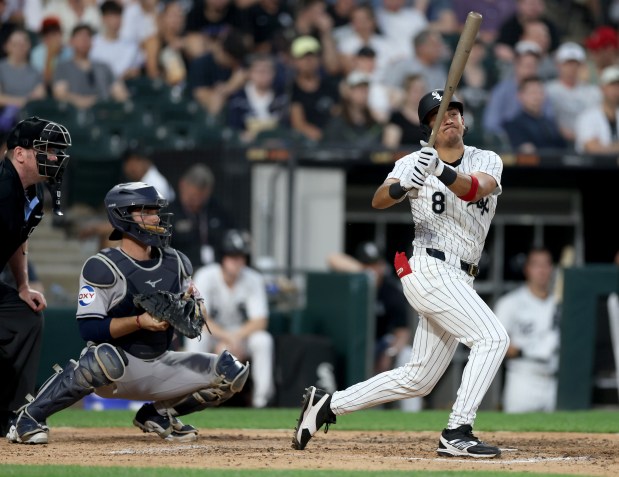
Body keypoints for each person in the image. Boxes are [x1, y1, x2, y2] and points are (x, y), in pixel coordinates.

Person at [292, 89, 510, 458]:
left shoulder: (486, 159)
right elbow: (378, 199)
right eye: (441, 115)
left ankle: (328, 405)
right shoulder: (413, 161)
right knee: (493, 338)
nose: (451, 118)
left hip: (462, 274)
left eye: (455, 112)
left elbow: (475, 190)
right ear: (429, 128)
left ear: (463, 120)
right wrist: (404, 184)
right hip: (428, 267)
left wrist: (440, 169)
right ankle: (457, 430)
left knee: (419, 378)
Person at [6, 182, 250, 444]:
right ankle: (30, 417)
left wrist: (190, 308)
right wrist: (139, 321)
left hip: (162, 362)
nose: (156, 217)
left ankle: (156, 414)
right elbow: (88, 329)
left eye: (155, 210)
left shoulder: (176, 261)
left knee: (231, 371)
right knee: (104, 356)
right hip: (118, 371)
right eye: (146, 211)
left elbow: (196, 309)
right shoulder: (103, 267)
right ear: (123, 215)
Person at [0, 116, 72, 437]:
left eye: (56, 151)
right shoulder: (1, 190)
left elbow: (18, 239)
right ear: (20, 154)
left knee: (26, 317)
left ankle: (15, 415)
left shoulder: (31, 195)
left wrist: (23, 286)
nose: (54, 157)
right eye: (46, 149)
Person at [186, 229, 274, 408]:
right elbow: (200, 317)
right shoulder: (206, 275)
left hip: (240, 335)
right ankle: (189, 394)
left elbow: (261, 321)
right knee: (196, 336)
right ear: (223, 257)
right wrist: (226, 339)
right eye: (232, 256)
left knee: (263, 340)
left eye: (240, 256)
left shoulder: (253, 278)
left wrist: (236, 338)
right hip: (214, 334)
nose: (236, 261)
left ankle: (261, 401)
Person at [493, 247, 559, 413]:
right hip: (523, 378)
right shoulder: (510, 302)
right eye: (537, 265)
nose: (542, 270)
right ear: (527, 269)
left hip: (553, 379)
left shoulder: (559, 305)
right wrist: (525, 350)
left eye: (546, 265)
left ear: (552, 268)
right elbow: (495, 342)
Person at [168, 163, 235, 268]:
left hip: (217, 271)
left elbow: (231, 237)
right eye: (192, 198)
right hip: (181, 272)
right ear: (182, 185)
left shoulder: (218, 211)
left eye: (201, 198)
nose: (197, 203)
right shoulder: (169, 214)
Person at [574, 64, 619, 155]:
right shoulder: (588, 116)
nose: (616, 90)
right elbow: (592, 148)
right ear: (602, 88)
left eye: (618, 86)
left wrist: (605, 147)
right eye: (612, 85)